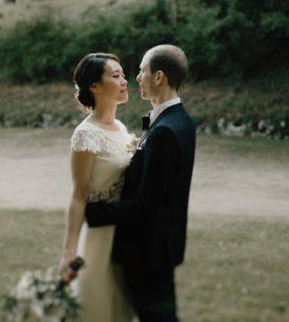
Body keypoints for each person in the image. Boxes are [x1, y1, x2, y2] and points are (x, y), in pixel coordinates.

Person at [83, 44, 196, 322]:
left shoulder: (165, 133)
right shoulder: (181, 121)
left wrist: (92, 212)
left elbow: (147, 206)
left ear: (158, 77)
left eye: (142, 71)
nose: (136, 78)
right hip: (161, 246)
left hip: (148, 254)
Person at [59, 52, 135, 322]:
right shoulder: (85, 134)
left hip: (127, 233)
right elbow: (79, 196)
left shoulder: (122, 129)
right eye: (115, 76)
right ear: (94, 86)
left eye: (123, 74)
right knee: (98, 309)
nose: (125, 81)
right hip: (100, 236)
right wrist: (69, 253)